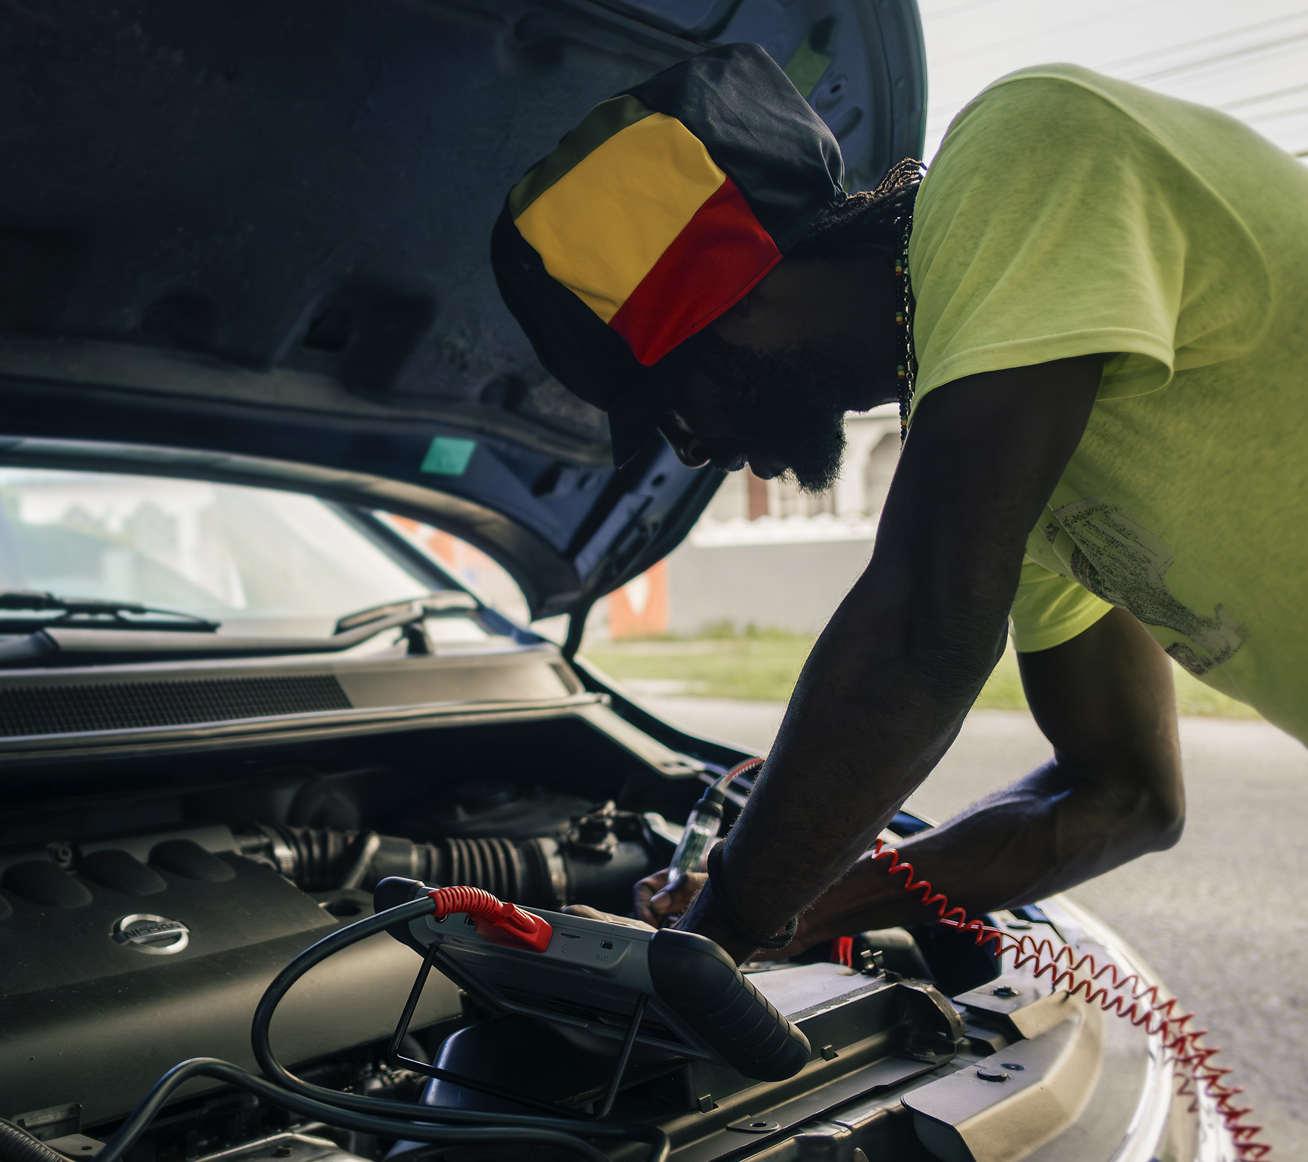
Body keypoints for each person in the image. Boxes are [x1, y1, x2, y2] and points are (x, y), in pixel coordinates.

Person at [492, 43, 1308, 962]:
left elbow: (920, 637)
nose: (692, 449)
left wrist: (713, 934)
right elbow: (1121, 795)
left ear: (735, 296)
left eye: (672, 398)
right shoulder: (1020, 470)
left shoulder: (1029, 149)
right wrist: (793, 910)